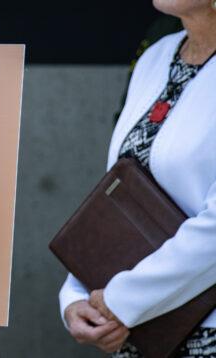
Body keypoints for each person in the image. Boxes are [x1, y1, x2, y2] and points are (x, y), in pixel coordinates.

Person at [59, 0, 216, 356]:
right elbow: (117, 199)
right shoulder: (156, 56)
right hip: (138, 332)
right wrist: (77, 296)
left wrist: (119, 300)